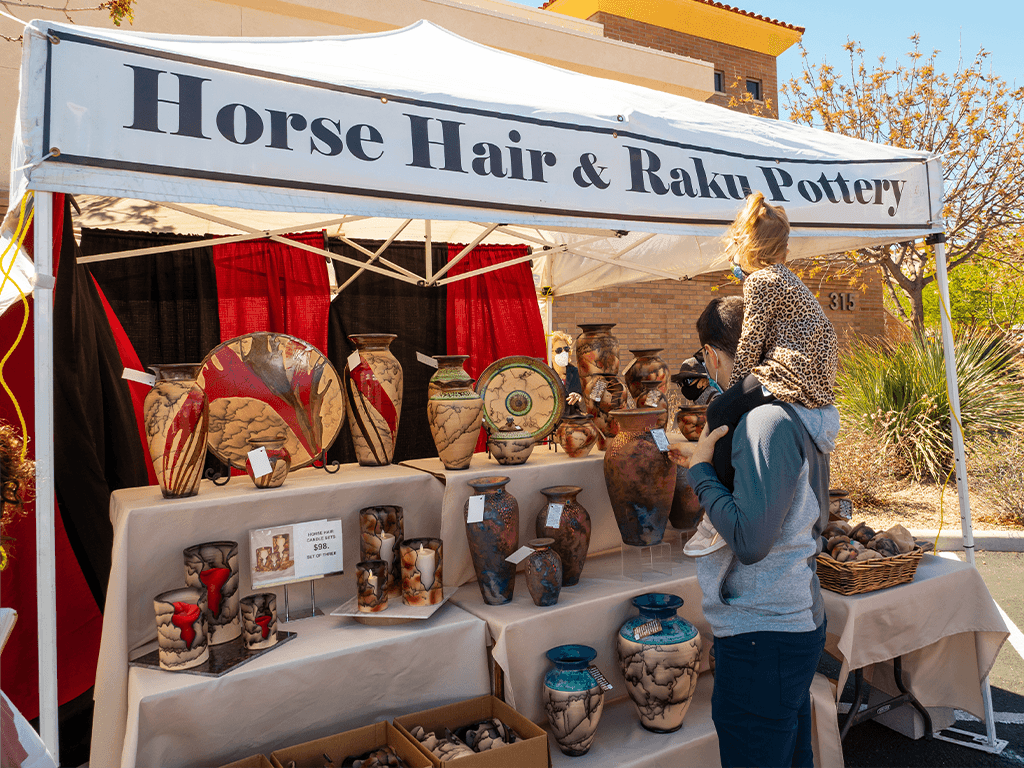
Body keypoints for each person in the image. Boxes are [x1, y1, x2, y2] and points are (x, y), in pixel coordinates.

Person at [669, 296, 838, 768]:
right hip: (781, 619)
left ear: (713, 354)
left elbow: (751, 541)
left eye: (706, 360)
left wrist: (701, 473)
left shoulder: (765, 420)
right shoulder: (787, 407)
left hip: (766, 627)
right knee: (786, 752)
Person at [706, 191, 839, 491]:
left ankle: (728, 490)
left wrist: (731, 392)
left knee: (718, 411)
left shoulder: (760, 281)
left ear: (747, 246)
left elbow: (750, 341)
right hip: (812, 379)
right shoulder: (787, 278)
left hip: (787, 373)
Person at [549, 331, 583, 408]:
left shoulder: (576, 373)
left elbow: (584, 400)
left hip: (572, 417)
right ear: (550, 354)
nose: (564, 353)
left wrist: (578, 397)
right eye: (559, 350)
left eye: (566, 349)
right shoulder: (547, 374)